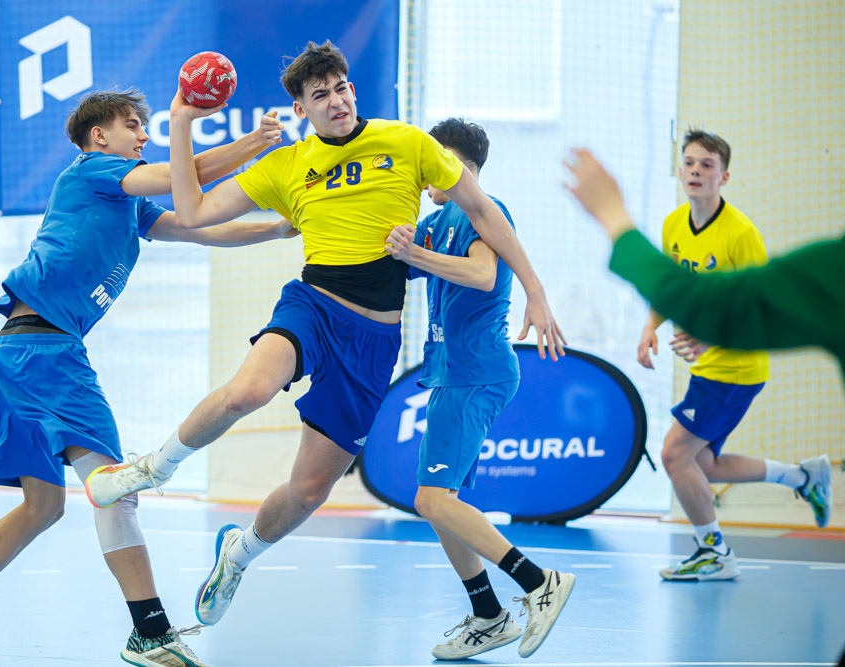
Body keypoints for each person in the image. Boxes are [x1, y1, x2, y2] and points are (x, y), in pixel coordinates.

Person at [86, 40, 568, 633]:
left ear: (352, 90)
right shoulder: (286, 165)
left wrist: (536, 290)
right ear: (301, 108)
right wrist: (182, 121)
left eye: (341, 88)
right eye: (321, 95)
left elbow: (486, 213)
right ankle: (154, 468)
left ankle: (239, 552)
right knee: (249, 391)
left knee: (309, 490)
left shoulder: (408, 143)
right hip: (312, 305)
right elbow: (191, 213)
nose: (336, 101)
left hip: (374, 340)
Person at [0, 89, 293, 667]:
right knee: (116, 491)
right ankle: (151, 634)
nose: (143, 135)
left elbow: (198, 226)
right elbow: (182, 175)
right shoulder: (93, 172)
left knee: (43, 508)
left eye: (144, 126)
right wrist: (255, 144)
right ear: (99, 136)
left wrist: (278, 230)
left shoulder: (125, 202)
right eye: (132, 125)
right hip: (46, 356)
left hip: (14, 356)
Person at [564, 141, 837, 576]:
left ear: (723, 177)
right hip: (707, 370)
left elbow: (752, 309)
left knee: (675, 456)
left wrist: (713, 340)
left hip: (735, 370)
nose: (695, 170)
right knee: (702, 464)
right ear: (679, 172)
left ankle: (715, 553)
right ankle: (802, 477)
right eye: (688, 163)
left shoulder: (741, 234)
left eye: (707, 164)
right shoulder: (674, 223)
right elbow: (675, 288)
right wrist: (650, 326)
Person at [382, 118, 574, 660]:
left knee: (432, 499)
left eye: (432, 163)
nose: (425, 175)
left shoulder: (482, 210)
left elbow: (483, 274)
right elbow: (392, 260)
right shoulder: (436, 219)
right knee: (440, 502)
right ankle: (489, 616)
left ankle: (539, 582)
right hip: (451, 373)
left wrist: (413, 256)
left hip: (477, 371)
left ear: (460, 167)